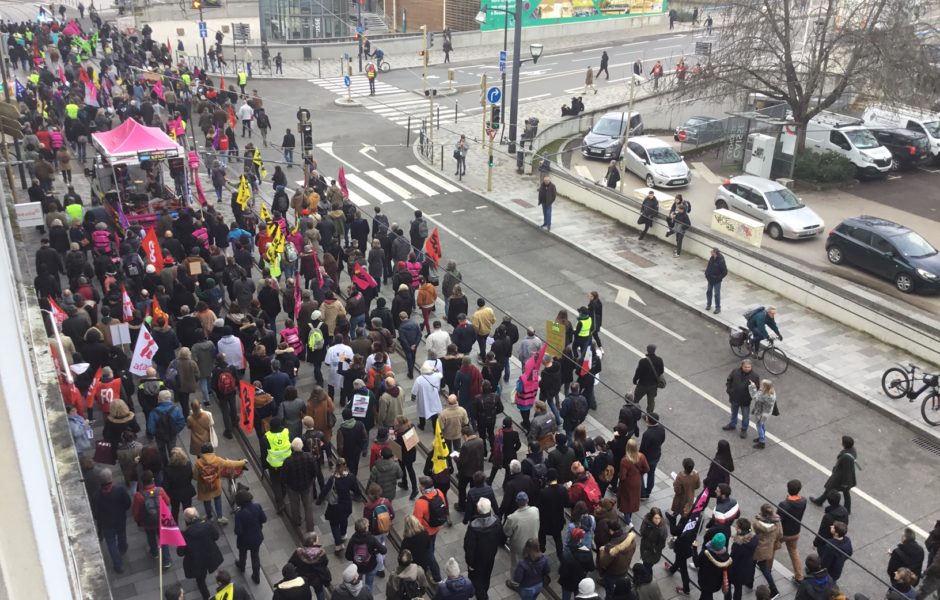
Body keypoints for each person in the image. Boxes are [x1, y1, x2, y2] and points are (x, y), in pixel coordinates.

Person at [178, 507, 225, 599]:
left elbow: (180, 553)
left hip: (196, 561)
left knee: (200, 580)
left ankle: (206, 597)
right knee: (218, 574)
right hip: (210, 556)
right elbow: (216, 536)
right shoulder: (208, 525)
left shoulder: (185, 534)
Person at [195, 442, 247, 524]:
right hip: (215, 484)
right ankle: (220, 517)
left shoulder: (198, 462)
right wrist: (243, 462)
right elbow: (230, 463)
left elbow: (195, 476)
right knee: (217, 498)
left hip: (204, 486)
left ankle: (209, 516)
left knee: (207, 501)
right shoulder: (217, 460)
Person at [464, 496, 503, 600]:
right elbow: (500, 537)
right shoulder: (496, 522)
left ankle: (481, 596)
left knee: (476, 580)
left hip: (477, 560)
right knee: (486, 576)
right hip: (490, 556)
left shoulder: (473, 528)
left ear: (477, 510)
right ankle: (484, 590)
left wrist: (470, 562)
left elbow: (469, 547)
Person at [318, 458, 359, 554]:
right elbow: (356, 489)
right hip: (346, 504)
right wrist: (358, 494)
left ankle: (338, 544)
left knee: (334, 524)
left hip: (335, 506)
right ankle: (343, 534)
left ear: (336, 466)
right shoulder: (351, 477)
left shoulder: (333, 479)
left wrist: (319, 500)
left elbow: (325, 490)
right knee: (344, 519)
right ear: (346, 465)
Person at [810, 435, 858, 514]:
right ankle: (847, 508)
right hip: (847, 478)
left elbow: (846, 471)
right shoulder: (852, 451)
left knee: (829, 488)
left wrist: (845, 483)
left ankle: (819, 501)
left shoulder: (846, 457)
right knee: (846, 492)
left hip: (840, 478)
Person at [96, 468, 132, 573]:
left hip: (107, 523)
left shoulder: (97, 495)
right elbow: (127, 503)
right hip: (120, 519)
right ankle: (122, 548)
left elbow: (95, 512)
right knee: (122, 534)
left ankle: (118, 565)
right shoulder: (119, 490)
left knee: (111, 543)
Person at [413, 476, 447, 582]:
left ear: (423, 488)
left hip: (426, 531)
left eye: (420, 485)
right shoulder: (439, 492)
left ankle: (437, 576)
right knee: (431, 546)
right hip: (436, 527)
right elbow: (444, 506)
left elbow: (416, 521)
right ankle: (428, 563)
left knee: (429, 553)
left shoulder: (420, 502)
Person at [233, 488, 267, 585]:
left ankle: (242, 566)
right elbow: (264, 519)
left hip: (244, 540)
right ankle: (256, 576)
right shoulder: (257, 506)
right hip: (257, 537)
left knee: (242, 554)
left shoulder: (239, 514)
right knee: (255, 556)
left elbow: (238, 531)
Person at [345, 517, 388, 591]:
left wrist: (356, 557)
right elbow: (384, 550)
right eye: (368, 526)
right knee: (369, 585)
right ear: (365, 529)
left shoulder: (352, 540)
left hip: (358, 567)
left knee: (358, 583)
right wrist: (375, 551)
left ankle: (359, 594)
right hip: (370, 566)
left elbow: (348, 556)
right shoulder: (371, 539)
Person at [778, 479, 808, 583]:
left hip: (783, 533)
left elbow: (778, 520)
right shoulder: (803, 501)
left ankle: (766, 567)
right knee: (794, 552)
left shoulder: (784, 504)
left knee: (771, 548)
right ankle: (799, 576)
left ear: (788, 489)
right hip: (795, 532)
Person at [504, 491, 540, 575]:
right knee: (531, 561)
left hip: (519, 546)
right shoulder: (535, 510)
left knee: (516, 564)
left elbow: (506, 532)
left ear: (517, 502)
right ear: (527, 500)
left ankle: (515, 582)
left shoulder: (512, 518)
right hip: (533, 542)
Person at [723, 359, 760, 439]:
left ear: (751, 367)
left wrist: (753, 386)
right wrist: (729, 390)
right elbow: (729, 380)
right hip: (734, 397)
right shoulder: (735, 371)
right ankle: (732, 425)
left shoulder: (755, 376)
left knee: (745, 416)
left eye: (749, 367)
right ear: (742, 366)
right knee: (734, 413)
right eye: (745, 367)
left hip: (745, 400)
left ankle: (744, 429)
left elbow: (757, 389)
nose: (747, 368)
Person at [289, 532, 331, 600]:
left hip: (302, 577)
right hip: (316, 578)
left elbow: (291, 563)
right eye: (317, 538)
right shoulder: (321, 553)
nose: (318, 539)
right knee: (319, 591)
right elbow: (325, 563)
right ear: (313, 543)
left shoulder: (299, 552)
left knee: (304, 593)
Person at [693, 532, 732, 600]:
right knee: (705, 595)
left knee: (706, 595)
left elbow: (696, 563)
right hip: (716, 584)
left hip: (704, 581)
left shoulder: (705, 553)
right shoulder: (727, 556)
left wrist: (694, 549)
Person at [728, 518, 758, 600]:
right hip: (746, 568)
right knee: (738, 588)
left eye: (737, 527)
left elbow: (732, 557)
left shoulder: (738, 545)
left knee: (727, 586)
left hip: (735, 569)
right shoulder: (754, 538)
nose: (735, 528)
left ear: (740, 530)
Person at [638, 413, 664, 499]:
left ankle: (642, 493)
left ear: (648, 421)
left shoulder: (647, 434)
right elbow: (662, 439)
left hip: (647, 458)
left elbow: (643, 449)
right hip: (656, 455)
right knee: (651, 473)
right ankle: (648, 491)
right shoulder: (661, 428)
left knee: (640, 474)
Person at [632, 344, 664, 413]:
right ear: (655, 350)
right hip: (653, 385)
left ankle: (633, 411)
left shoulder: (642, 361)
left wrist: (634, 380)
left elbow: (638, 373)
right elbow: (661, 371)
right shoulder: (659, 360)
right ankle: (649, 416)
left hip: (642, 384)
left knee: (636, 398)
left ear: (647, 350)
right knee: (651, 400)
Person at [749, 379, 776, 449]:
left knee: (759, 426)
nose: (760, 386)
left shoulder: (764, 395)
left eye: (762, 385)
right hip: (765, 414)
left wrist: (752, 386)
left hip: (761, 414)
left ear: (765, 387)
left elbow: (754, 397)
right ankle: (762, 437)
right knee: (762, 425)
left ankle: (762, 441)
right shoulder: (772, 393)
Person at [705, 247, 727, 314]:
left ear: (715, 253)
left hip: (717, 280)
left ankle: (718, 308)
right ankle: (709, 304)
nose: (710, 252)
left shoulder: (721, 260)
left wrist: (718, 278)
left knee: (717, 294)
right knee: (709, 291)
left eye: (712, 251)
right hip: (710, 278)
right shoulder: (712, 258)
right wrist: (706, 274)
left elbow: (725, 271)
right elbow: (708, 267)